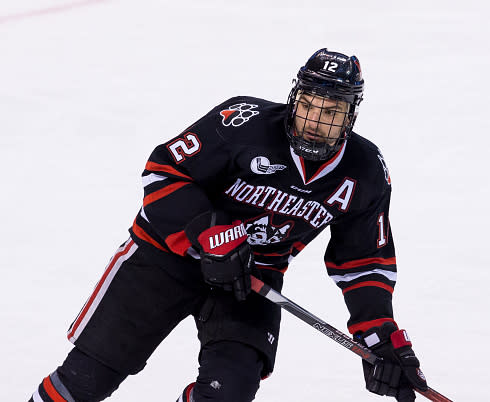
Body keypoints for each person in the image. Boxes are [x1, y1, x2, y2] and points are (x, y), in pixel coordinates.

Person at [29, 48, 428, 402]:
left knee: (228, 392)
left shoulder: (366, 172)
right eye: (308, 104)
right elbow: (163, 171)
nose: (313, 121)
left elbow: (363, 262)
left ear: (350, 116)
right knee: (85, 381)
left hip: (250, 279)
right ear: (294, 99)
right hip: (166, 259)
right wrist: (208, 233)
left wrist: (381, 337)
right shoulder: (242, 123)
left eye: (330, 112)